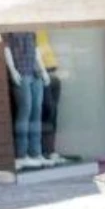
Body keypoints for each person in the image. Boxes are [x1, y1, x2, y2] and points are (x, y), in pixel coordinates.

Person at [3, 32, 49, 171]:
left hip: (35, 73)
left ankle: (35, 152)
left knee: (36, 112)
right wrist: (12, 71)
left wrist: (43, 70)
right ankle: (22, 154)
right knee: (25, 110)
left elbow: (35, 50)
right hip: (21, 72)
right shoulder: (8, 29)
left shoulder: (30, 29)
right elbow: (6, 49)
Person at [36, 30, 65, 163]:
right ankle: (44, 151)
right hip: (39, 72)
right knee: (47, 111)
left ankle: (50, 150)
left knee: (53, 113)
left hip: (51, 69)